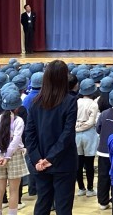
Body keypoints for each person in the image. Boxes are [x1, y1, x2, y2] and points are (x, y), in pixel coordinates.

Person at [24, 60, 78, 215]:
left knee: (43, 203)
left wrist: (37, 159)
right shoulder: (70, 101)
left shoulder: (35, 102)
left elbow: (29, 135)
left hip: (40, 163)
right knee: (63, 207)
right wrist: (50, 158)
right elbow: (67, 134)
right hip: (63, 162)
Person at [0, 90, 31, 215]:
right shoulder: (19, 121)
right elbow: (16, 141)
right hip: (14, 156)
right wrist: (7, 157)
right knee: (14, 191)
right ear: (17, 107)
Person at [75, 79, 99, 198]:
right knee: (89, 163)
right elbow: (91, 121)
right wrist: (83, 126)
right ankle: (90, 189)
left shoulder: (75, 102)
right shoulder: (94, 104)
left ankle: (81, 188)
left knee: (78, 163)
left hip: (76, 134)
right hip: (89, 134)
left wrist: (77, 126)